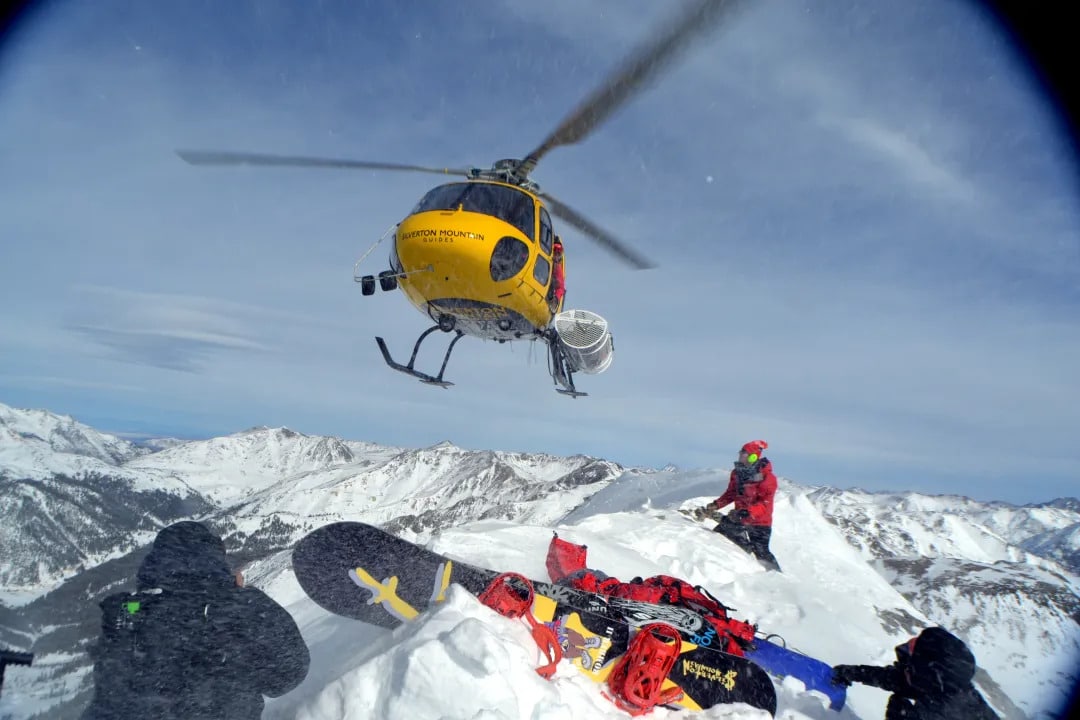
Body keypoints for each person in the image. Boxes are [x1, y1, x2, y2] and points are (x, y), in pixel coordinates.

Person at [81, 521, 310, 720]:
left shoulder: (131, 613)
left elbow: (113, 692)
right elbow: (288, 673)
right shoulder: (231, 607)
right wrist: (240, 598)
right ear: (212, 557)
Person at [831, 627, 999, 719]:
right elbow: (893, 678)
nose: (905, 671)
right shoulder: (942, 685)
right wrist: (852, 672)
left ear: (924, 672)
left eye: (910, 667)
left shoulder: (945, 710)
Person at [693, 440, 780, 571]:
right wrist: (717, 504)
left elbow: (764, 504)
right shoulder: (737, 473)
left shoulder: (767, 477)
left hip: (760, 523)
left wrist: (747, 512)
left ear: (753, 456)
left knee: (761, 552)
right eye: (741, 452)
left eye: (744, 453)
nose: (740, 455)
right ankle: (742, 560)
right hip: (739, 517)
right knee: (719, 534)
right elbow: (731, 493)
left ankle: (776, 575)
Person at [548, 236, 566, 313]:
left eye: (558, 253)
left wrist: (556, 298)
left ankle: (553, 304)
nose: (556, 255)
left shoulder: (557, 268)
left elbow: (560, 288)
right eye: (555, 251)